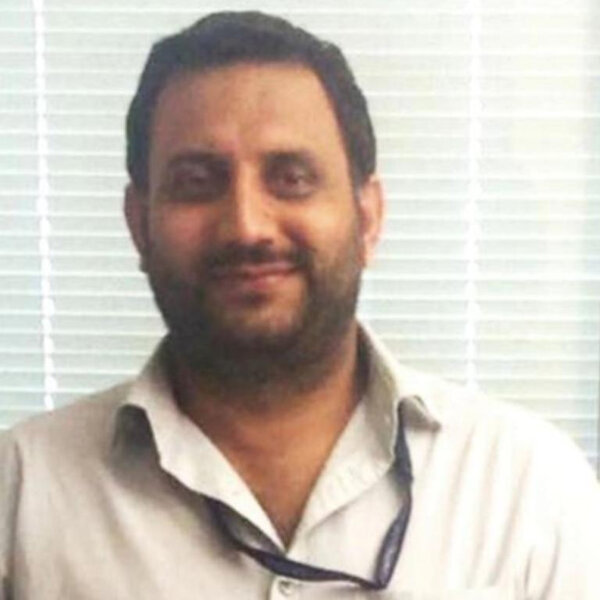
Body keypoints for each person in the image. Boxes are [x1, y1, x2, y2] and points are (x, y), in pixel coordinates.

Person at [1, 11, 599, 599]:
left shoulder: (529, 493)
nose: (247, 225)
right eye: (197, 182)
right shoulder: (19, 498)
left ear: (368, 217)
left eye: (291, 178)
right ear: (139, 224)